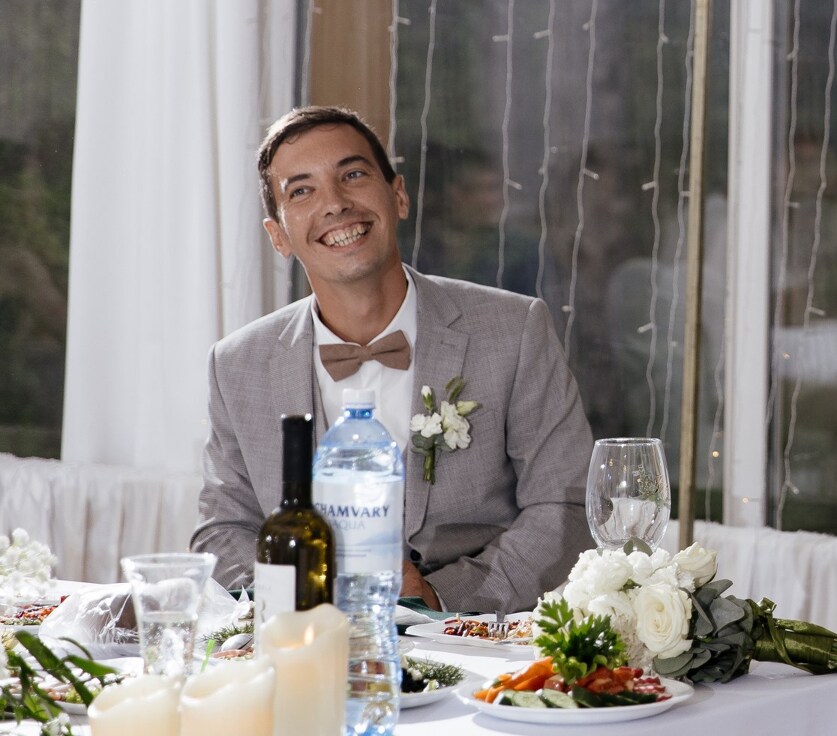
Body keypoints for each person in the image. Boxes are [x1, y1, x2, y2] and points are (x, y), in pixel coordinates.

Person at [191, 105, 594, 613]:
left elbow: (566, 506)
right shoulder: (237, 365)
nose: (335, 204)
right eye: (302, 191)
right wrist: (304, 601)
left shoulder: (514, 331)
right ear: (279, 236)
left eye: (353, 175)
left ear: (398, 195)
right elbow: (223, 530)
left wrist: (440, 596)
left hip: (474, 638)